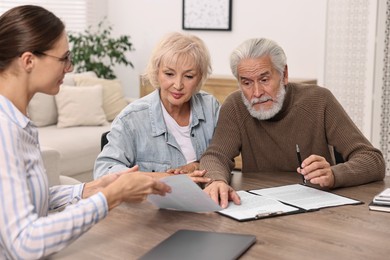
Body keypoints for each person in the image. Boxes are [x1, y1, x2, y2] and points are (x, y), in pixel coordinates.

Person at [0, 5, 171, 259]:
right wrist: (112, 196)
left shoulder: (19, 122)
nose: (69, 68)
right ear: (28, 61)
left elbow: (26, 200)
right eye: (64, 58)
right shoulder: (5, 130)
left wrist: (90, 189)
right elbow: (25, 243)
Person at [200, 38, 386, 208]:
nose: (256, 93)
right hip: (260, 206)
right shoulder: (235, 105)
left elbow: (373, 160)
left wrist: (334, 174)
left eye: (264, 80)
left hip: (318, 210)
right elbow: (216, 156)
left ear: (284, 74)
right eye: (247, 83)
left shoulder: (319, 100)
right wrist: (216, 180)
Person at [94, 32, 220, 180]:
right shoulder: (131, 119)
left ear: (200, 77)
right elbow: (104, 171)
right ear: (157, 72)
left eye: (189, 76)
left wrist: (197, 165)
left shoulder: (210, 107)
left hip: (205, 198)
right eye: (169, 74)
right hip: (153, 202)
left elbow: (224, 157)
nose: (178, 85)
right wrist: (164, 178)